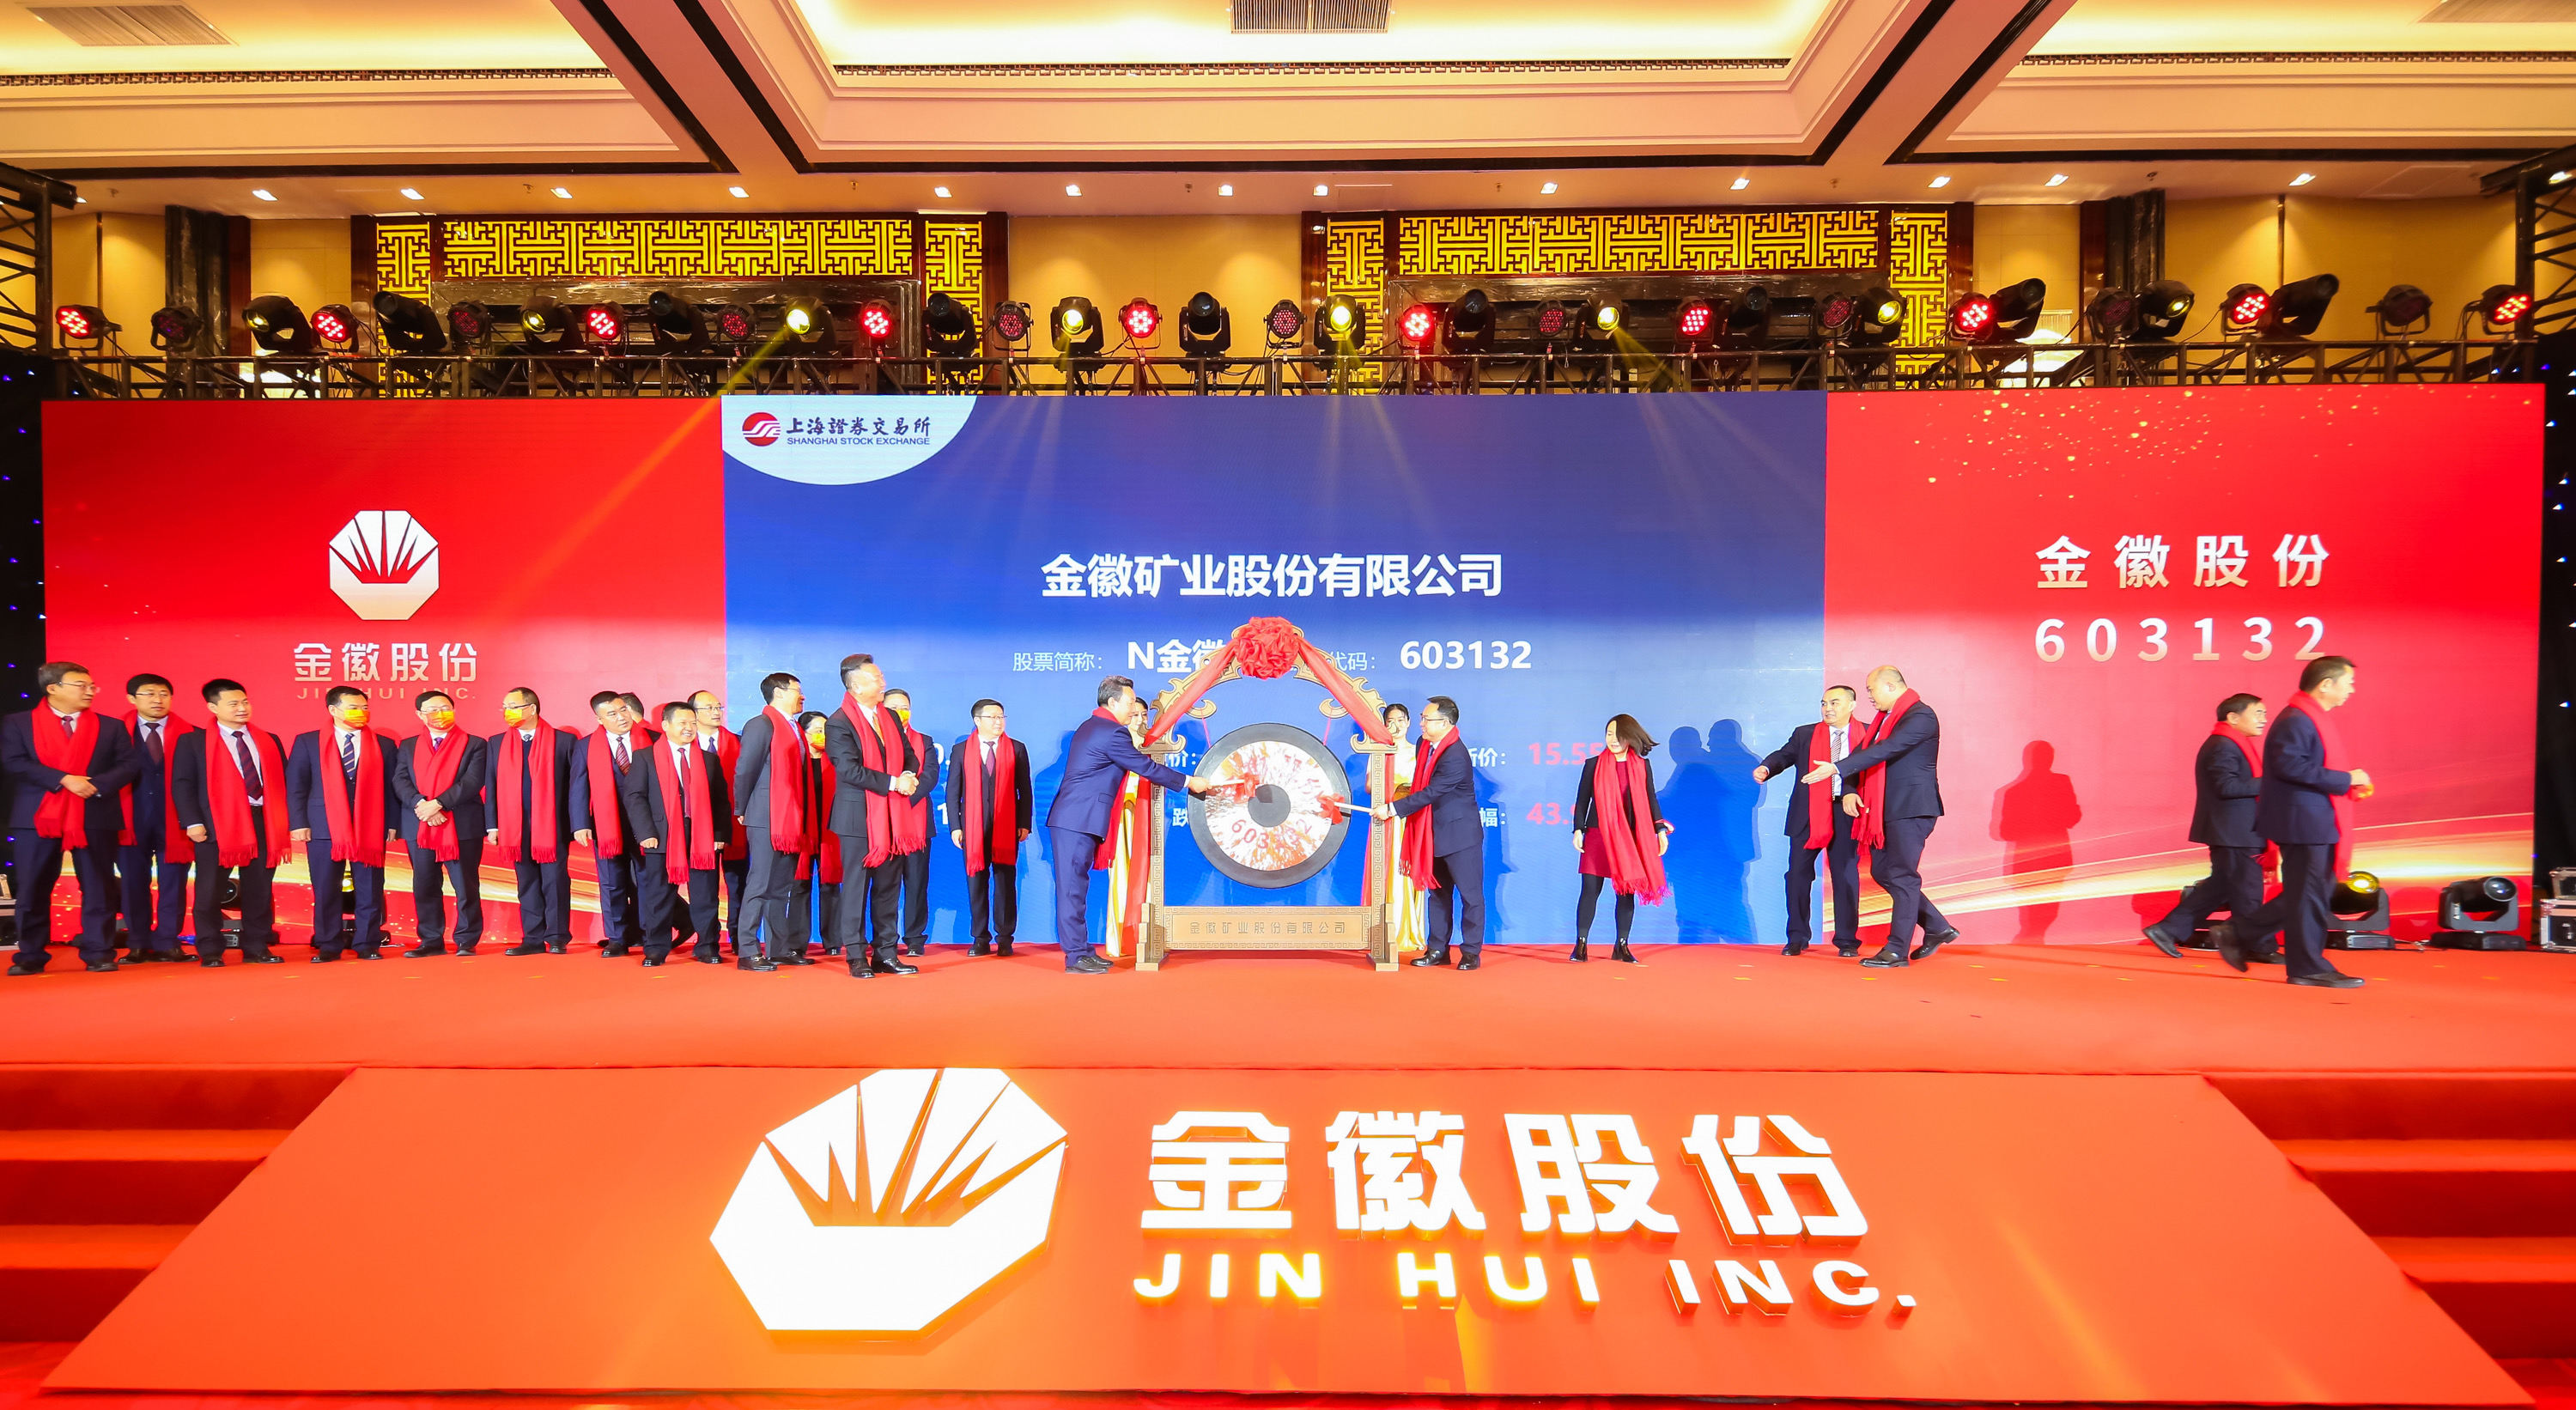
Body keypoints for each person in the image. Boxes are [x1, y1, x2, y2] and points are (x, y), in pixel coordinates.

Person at [2213, 657, 2371, 988]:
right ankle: (2307, 967)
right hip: (2303, 822)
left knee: (2312, 893)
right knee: (2310, 895)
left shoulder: (2308, 717)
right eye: (2349, 683)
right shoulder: (2297, 719)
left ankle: (2241, 932)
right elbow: (2290, 767)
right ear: (2325, 684)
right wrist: (2345, 779)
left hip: (2314, 820)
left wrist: (2346, 780)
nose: (2352, 690)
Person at [1048, 675, 1207, 975]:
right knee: (1071, 891)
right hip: (1076, 820)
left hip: (1078, 819)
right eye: (1131, 702)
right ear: (1113, 702)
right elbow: (1144, 766)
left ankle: (1082, 951)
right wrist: (1189, 782)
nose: (1134, 708)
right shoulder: (1111, 732)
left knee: (1076, 890)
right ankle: (1075, 957)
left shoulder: (1092, 725)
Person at [1804, 665, 1959, 969]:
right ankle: (1937, 927)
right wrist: (1850, 789)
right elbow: (1861, 754)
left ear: (1890, 686)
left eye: (1871, 690)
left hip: (1911, 808)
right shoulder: (1882, 721)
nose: (1870, 697)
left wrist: (1836, 769)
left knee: (1901, 876)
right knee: (1884, 872)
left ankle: (1897, 950)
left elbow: (1887, 750)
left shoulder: (1920, 716)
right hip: (1885, 810)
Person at [4, 661, 139, 974]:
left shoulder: (110, 726)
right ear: (53, 688)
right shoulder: (19, 723)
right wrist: (64, 779)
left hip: (95, 813)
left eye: (92, 686)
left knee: (98, 886)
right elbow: (13, 761)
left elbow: (129, 765)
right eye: (82, 686)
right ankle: (31, 955)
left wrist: (95, 786)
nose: (90, 691)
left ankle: (99, 952)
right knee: (33, 887)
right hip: (37, 816)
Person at [2142, 694, 2274, 962]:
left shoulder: (2231, 743)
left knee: (2223, 887)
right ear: (2233, 717)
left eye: (2264, 713)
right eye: (2258, 713)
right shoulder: (2223, 746)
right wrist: (2273, 781)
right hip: (2235, 833)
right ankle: (2256, 946)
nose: (2264, 719)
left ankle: (2168, 930)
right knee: (2247, 892)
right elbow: (2226, 787)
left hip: (2236, 831)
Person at [622, 701, 749, 968]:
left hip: (703, 837)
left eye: (692, 723)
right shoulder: (645, 757)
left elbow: (721, 801)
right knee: (658, 896)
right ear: (666, 725)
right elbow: (635, 797)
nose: (689, 728)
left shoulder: (708, 760)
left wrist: (720, 833)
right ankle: (656, 948)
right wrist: (645, 832)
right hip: (661, 836)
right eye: (682, 723)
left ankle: (707, 946)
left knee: (706, 895)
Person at [172, 678, 289, 967]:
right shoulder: (193, 742)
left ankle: (257, 947)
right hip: (216, 825)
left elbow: (284, 783)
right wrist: (192, 822)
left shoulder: (269, 740)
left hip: (263, 821)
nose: (242, 708)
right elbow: (183, 784)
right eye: (233, 703)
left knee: (259, 890)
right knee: (210, 890)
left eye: (245, 702)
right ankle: (211, 949)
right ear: (213, 707)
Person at [824, 653, 923, 979]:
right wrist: (895, 783)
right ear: (856, 686)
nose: (883, 683)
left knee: (888, 888)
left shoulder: (890, 717)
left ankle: (886, 953)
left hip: (892, 817)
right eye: (877, 679)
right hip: (857, 819)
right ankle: (856, 955)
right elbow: (849, 770)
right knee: (856, 888)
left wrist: (908, 775)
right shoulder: (839, 722)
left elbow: (909, 755)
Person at [286, 685, 401, 962]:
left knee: (370, 889)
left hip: (370, 825)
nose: (361, 712)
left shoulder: (384, 744)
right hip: (322, 825)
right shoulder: (308, 742)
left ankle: (367, 943)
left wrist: (392, 822)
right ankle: (328, 944)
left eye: (364, 707)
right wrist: (298, 822)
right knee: (326, 888)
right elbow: (296, 786)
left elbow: (391, 788)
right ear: (333, 710)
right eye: (353, 708)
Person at [1376, 695, 1484, 971]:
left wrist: (1392, 808)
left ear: (1445, 723)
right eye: (1422, 718)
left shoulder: (1455, 755)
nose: (1421, 723)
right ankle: (1437, 949)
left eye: (1427, 719)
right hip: (1431, 833)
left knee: (1470, 897)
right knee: (1437, 894)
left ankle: (1471, 952)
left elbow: (1432, 792)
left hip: (1460, 836)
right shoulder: (1424, 744)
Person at [1755, 685, 1864, 957]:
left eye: (1835, 703)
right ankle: (1797, 937)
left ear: (1852, 705)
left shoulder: (1868, 734)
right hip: (1808, 813)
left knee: (1845, 876)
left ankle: (1847, 940)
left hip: (1847, 811)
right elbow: (1784, 755)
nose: (1828, 708)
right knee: (1797, 876)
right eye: (1824, 703)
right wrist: (1767, 767)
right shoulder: (1805, 734)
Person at [1570, 713, 1671, 963]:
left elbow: (1651, 799)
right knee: (1590, 890)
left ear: (1630, 737)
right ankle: (1581, 944)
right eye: (1609, 734)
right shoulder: (1593, 764)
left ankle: (1622, 945)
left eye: (1618, 735)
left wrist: (1660, 829)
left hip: (1630, 838)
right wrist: (1578, 829)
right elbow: (1582, 801)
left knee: (1626, 892)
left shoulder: (1641, 766)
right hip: (1598, 835)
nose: (1613, 740)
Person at [730, 673, 815, 967]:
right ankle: (748, 950)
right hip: (766, 815)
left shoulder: (794, 727)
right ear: (778, 693)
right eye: (797, 691)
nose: (802, 696)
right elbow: (745, 769)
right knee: (760, 884)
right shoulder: (761, 724)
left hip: (791, 817)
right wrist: (742, 807)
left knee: (780, 887)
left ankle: (778, 948)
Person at [394, 689, 487, 957]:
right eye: (433, 710)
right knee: (424, 885)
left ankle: (466, 940)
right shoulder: (408, 745)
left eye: (446, 709)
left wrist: (439, 804)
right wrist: (421, 805)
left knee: (465, 886)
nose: (440, 714)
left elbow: (472, 781)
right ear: (420, 715)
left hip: (462, 824)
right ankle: (431, 940)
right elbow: (400, 779)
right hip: (419, 823)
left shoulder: (474, 744)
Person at [484, 687, 577, 954]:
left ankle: (557, 937)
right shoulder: (497, 742)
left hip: (552, 826)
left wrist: (576, 824)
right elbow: (491, 785)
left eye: (512, 706)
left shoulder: (564, 741)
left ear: (532, 708)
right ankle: (532, 938)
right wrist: (493, 825)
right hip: (515, 827)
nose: (507, 712)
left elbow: (575, 786)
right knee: (527, 883)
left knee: (555, 881)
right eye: (504, 707)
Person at [115, 672, 195, 963]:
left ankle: (168, 942)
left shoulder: (192, 734)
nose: (157, 700)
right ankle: (137, 943)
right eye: (149, 693)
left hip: (175, 821)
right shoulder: (114, 733)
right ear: (131, 698)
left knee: (174, 884)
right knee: (133, 883)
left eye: (163, 694)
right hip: (129, 820)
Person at [948, 697, 1030, 957]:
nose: (998, 722)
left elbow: (1025, 790)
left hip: (1007, 826)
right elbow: (953, 792)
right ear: (977, 720)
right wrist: (956, 826)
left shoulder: (1017, 748)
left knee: (1005, 883)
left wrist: (1024, 823)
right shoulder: (961, 750)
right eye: (992, 717)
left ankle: (1005, 938)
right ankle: (980, 938)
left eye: (1001, 717)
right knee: (976, 883)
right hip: (973, 828)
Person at [571, 690, 649, 957]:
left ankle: (648, 933)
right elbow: (579, 787)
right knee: (611, 881)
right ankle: (617, 938)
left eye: (623, 710)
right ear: (599, 719)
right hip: (606, 824)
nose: (621, 717)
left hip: (646, 824)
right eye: (612, 714)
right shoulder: (585, 746)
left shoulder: (652, 739)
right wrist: (580, 823)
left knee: (647, 879)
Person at [689, 689, 750, 955]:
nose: (716, 712)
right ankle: (707, 942)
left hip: (736, 824)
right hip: (698, 828)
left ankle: (740, 938)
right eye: (709, 708)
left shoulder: (740, 742)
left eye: (718, 707)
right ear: (693, 714)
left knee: (739, 885)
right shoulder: (685, 746)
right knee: (704, 888)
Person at [885, 687, 940, 957]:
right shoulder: (875, 740)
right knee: (886, 886)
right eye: (893, 708)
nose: (900, 712)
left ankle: (915, 939)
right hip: (885, 823)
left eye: (904, 707)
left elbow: (930, 776)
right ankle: (885, 939)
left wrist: (905, 797)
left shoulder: (924, 741)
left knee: (917, 884)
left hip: (917, 823)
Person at [1375, 703, 1426, 957]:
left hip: (1411, 818)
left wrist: (1406, 793)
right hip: (1386, 819)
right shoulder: (1379, 752)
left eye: (1400, 720)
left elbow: (1425, 788)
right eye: (1390, 721)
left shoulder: (1419, 752)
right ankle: (1386, 931)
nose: (1395, 726)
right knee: (1388, 873)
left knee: (1408, 871)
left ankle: (1409, 931)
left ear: (1408, 723)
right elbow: (1370, 786)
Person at [792, 710, 842, 956]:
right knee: (799, 886)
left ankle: (833, 941)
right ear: (804, 733)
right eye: (818, 731)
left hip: (830, 832)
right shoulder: (796, 760)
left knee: (830, 886)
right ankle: (796, 943)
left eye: (826, 731)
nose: (823, 735)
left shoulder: (836, 761)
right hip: (801, 833)